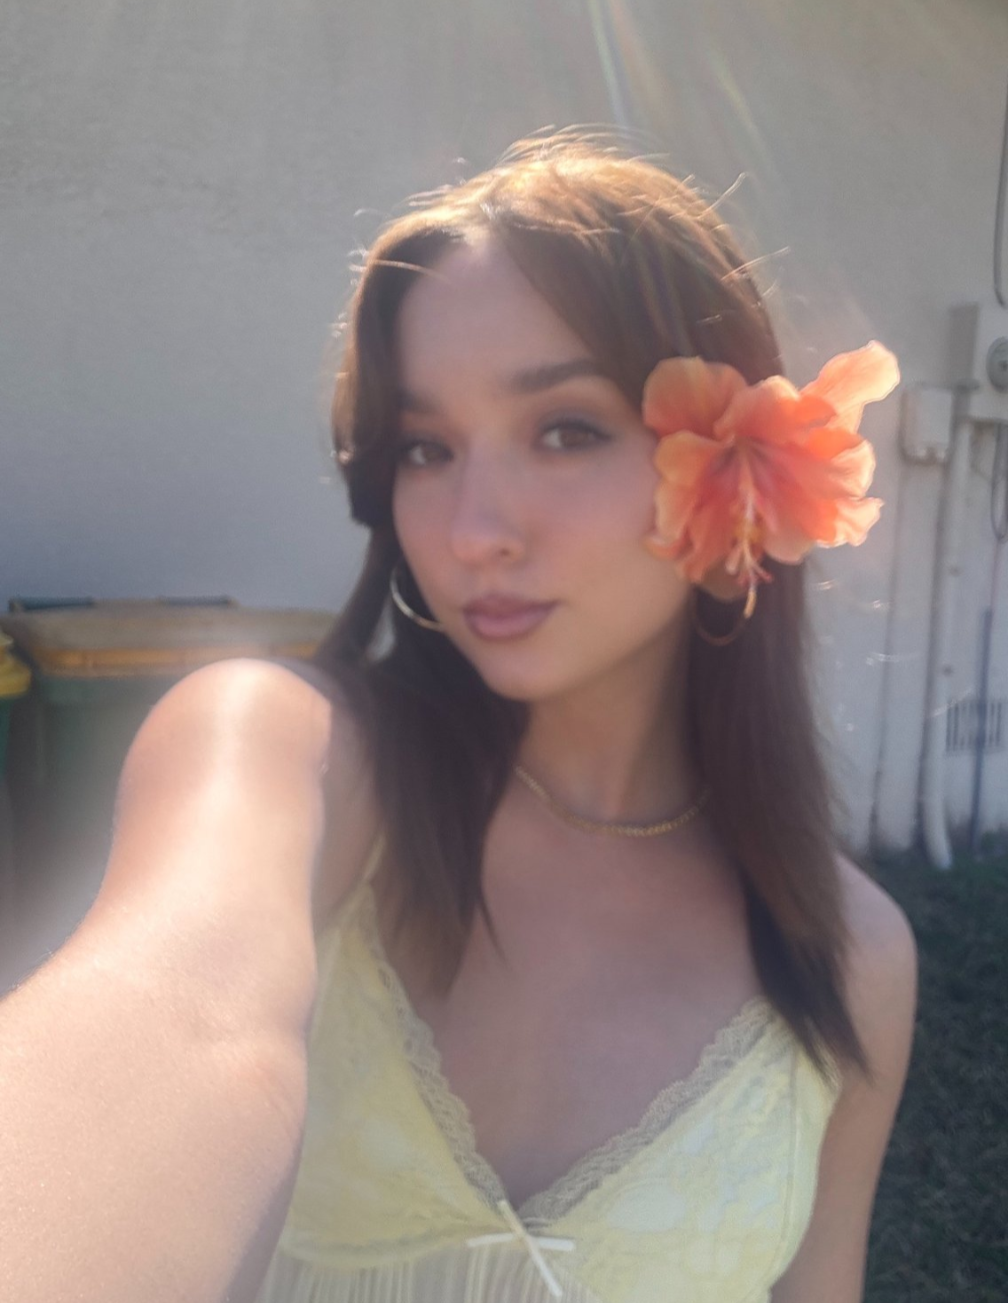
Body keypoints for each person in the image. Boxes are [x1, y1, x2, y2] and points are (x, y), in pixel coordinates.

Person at [0, 132, 915, 1303]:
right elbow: (177, 1019)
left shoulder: (851, 958)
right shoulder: (285, 755)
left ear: (736, 471)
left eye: (566, 429)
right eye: (426, 448)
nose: (473, 529)